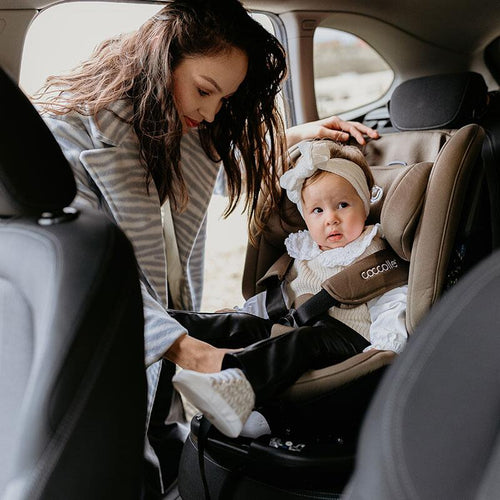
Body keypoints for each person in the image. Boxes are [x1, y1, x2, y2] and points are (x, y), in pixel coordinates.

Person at [34, 0, 379, 493]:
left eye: (226, 98)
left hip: (157, 355)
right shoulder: (67, 140)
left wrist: (291, 137)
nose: (212, 110)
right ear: (160, 61)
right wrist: (196, 355)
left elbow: (216, 157)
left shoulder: (170, 128)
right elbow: (91, 275)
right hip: (103, 358)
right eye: (204, 90)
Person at [172, 139, 408, 438]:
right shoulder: (305, 251)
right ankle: (163, 324)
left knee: (309, 339)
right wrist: (244, 312)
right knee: (239, 323)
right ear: (306, 216)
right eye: (317, 211)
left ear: (364, 204)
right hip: (295, 326)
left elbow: (393, 302)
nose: (331, 218)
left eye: (343, 205)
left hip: (350, 340)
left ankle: (237, 383)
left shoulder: (372, 253)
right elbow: (282, 296)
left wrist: (385, 346)